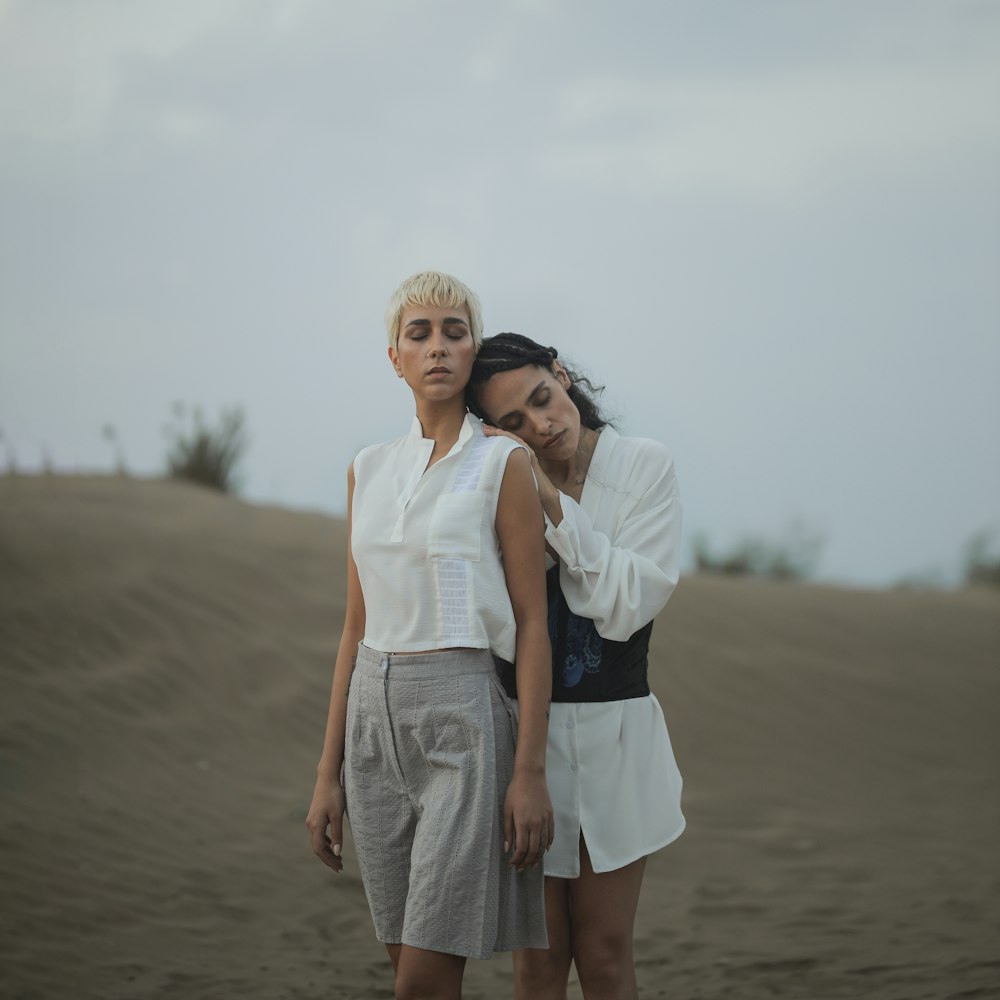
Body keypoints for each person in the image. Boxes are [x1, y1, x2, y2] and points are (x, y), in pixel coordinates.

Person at [306, 276, 554, 1000]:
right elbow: (355, 625)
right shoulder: (367, 468)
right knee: (411, 972)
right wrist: (328, 773)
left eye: (454, 331)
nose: (438, 346)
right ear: (395, 357)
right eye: (420, 333)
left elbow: (533, 623)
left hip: (463, 721)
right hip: (371, 726)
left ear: (472, 350)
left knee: (421, 981)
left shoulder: (503, 464)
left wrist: (528, 772)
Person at [465, 333, 684, 1000]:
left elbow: (625, 606)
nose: (542, 425)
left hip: (618, 738)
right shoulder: (497, 486)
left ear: (561, 374)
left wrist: (553, 503)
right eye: (514, 424)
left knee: (607, 952)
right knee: (536, 961)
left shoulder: (644, 467)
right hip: (526, 741)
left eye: (543, 398)